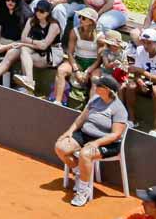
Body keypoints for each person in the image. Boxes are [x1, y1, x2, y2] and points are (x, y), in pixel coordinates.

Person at [55, 74, 130, 206]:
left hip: (107, 142)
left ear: (107, 90)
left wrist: (96, 143)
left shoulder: (119, 109)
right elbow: (81, 119)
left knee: (85, 154)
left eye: (98, 85)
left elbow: (116, 135)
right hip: (85, 135)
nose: (95, 86)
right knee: (60, 147)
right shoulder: (95, 99)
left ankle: (83, 190)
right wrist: (70, 131)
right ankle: (80, 170)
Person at [51, 10, 104, 104]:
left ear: (91, 21)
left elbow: (99, 59)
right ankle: (57, 101)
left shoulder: (100, 36)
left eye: (83, 18)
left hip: (94, 64)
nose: (79, 19)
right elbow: (70, 53)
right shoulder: (74, 31)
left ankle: (90, 108)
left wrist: (88, 71)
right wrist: (76, 69)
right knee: (61, 70)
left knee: (95, 79)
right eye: (79, 17)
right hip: (77, 60)